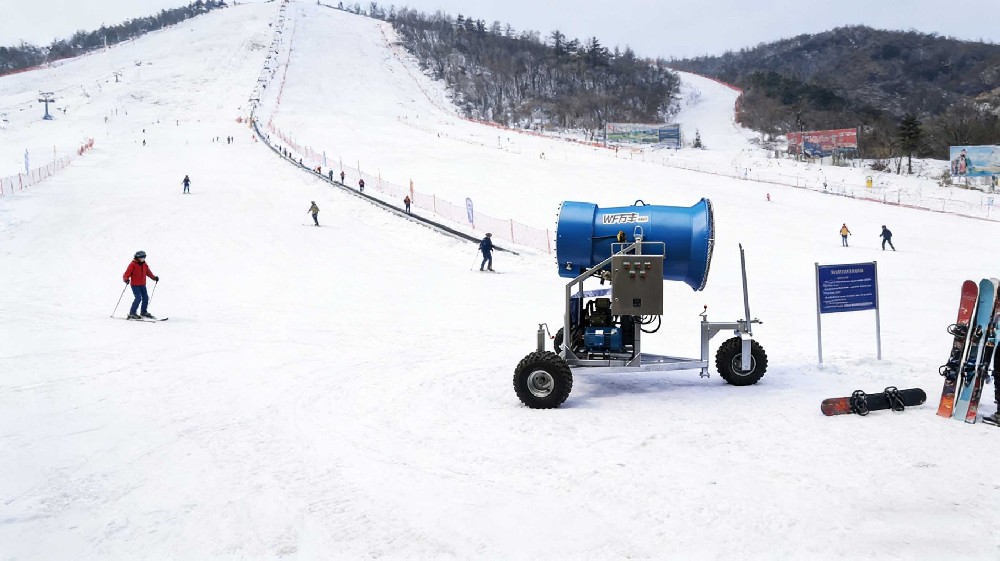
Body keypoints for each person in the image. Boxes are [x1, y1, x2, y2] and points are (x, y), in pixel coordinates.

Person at [123, 250, 158, 319]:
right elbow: (126, 274)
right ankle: (132, 313)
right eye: (141, 258)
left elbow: (148, 272)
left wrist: (154, 278)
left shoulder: (145, 265)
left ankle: (143, 312)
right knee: (138, 298)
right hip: (135, 285)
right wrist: (126, 279)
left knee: (145, 298)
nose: (142, 259)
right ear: (137, 257)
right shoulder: (132, 264)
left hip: (142, 285)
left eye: (144, 258)